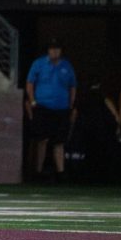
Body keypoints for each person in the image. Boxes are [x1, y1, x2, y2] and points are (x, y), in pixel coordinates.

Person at [26, 38, 77, 184]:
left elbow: (72, 85)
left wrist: (71, 104)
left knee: (59, 141)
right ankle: (38, 171)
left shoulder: (67, 66)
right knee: (42, 139)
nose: (54, 51)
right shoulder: (39, 64)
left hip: (61, 108)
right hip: (43, 107)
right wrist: (33, 101)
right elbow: (30, 82)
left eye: (57, 48)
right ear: (48, 50)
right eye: (52, 48)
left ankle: (61, 172)